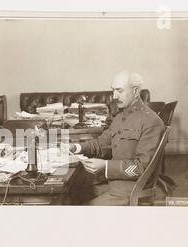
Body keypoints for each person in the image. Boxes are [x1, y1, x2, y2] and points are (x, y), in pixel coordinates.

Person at [70, 70, 165, 205]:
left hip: (130, 192)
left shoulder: (151, 121)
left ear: (135, 91)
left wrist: (106, 166)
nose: (114, 96)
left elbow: (142, 168)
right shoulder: (120, 117)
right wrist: (76, 147)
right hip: (113, 185)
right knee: (70, 194)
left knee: (77, 211)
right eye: (113, 90)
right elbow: (101, 143)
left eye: (119, 91)